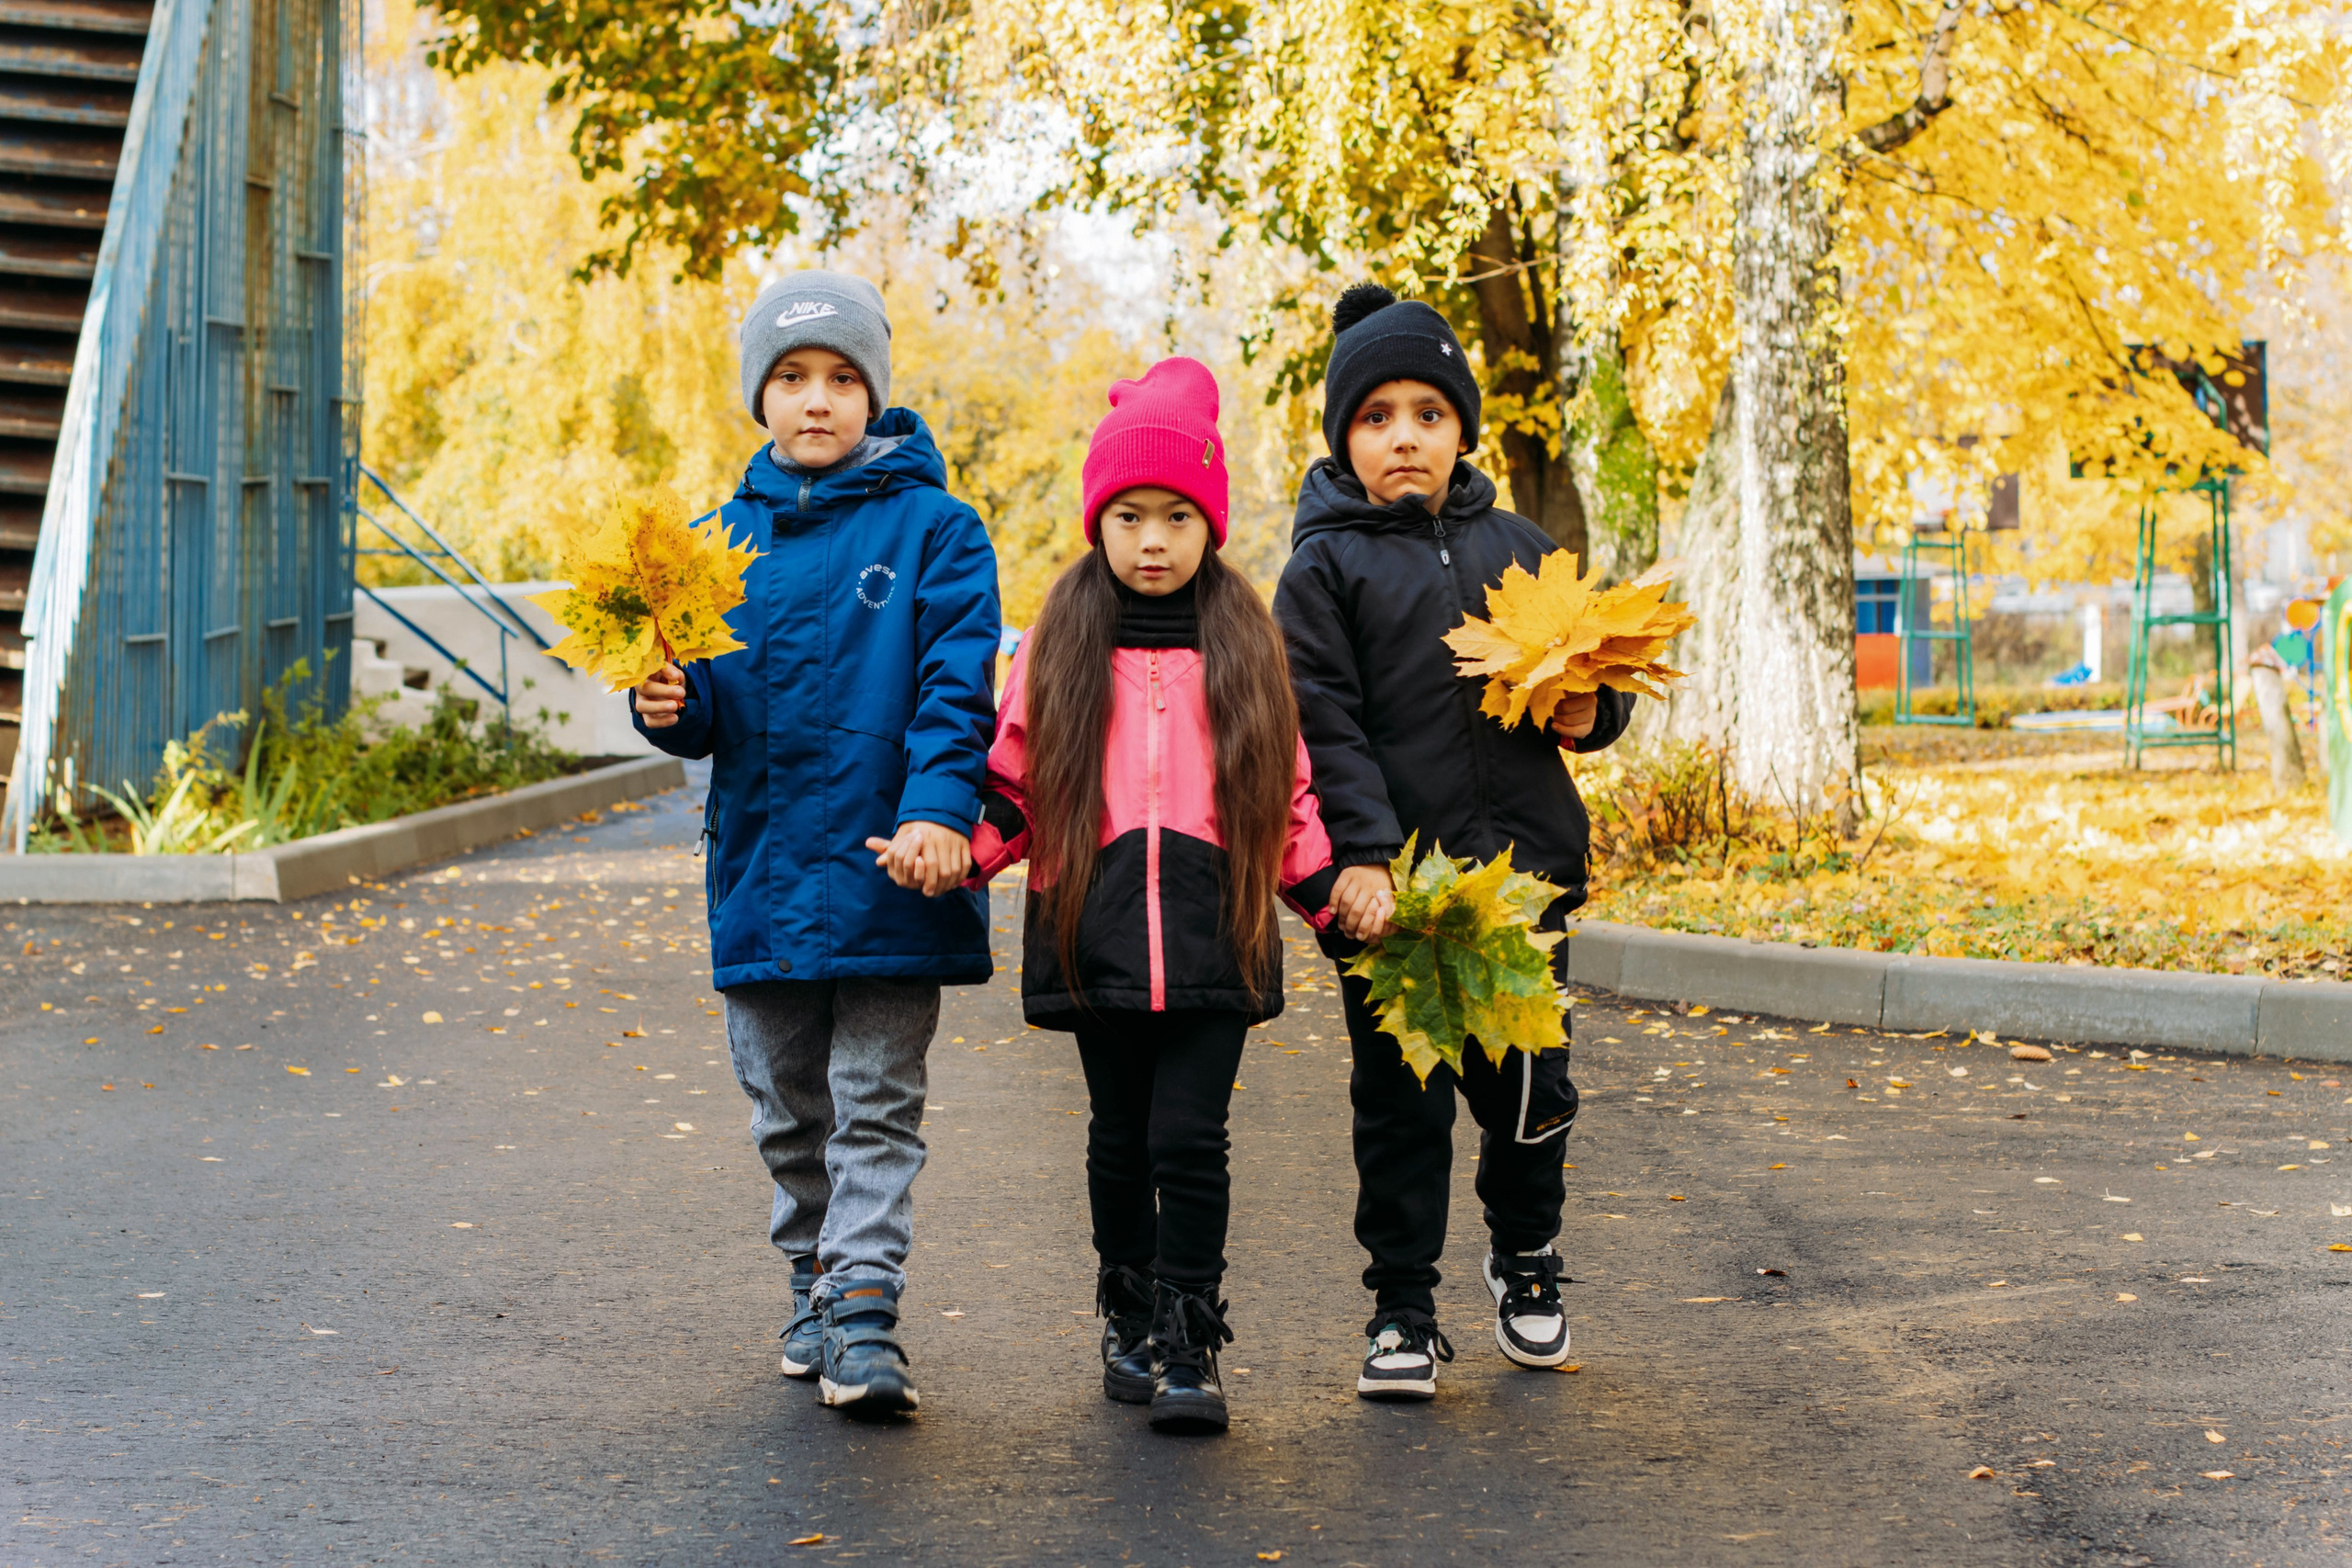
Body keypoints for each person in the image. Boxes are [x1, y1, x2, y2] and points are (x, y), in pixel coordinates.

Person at [631, 269, 1001, 1418]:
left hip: (896, 867)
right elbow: (704, 704)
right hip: (762, 871)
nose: (817, 399)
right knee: (788, 1105)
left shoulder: (937, 530)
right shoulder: (711, 543)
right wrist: (668, 707)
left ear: (874, 394)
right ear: (760, 397)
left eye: (843, 377)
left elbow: (955, 687)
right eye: (791, 377)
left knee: (875, 1099)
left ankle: (864, 1309)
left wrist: (940, 811)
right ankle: (812, 1274)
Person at [967, 356, 1347, 1434]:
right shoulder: (1058, 640)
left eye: (1177, 517)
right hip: (1093, 930)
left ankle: (1189, 1340)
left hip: (1214, 928)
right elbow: (1014, 781)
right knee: (1119, 1138)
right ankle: (1127, 1315)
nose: (1151, 540)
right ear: (1097, 521)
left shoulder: (1244, 639)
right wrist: (963, 852)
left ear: (1208, 525)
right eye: (1128, 516)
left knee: (1189, 1138)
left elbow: (1288, 792)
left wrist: (1326, 895)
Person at [1272, 284, 1634, 1401]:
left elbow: (1589, 662)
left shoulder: (1519, 547)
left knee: (1531, 1089)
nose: (1404, 438)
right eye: (1376, 417)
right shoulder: (1322, 570)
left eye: (1428, 414)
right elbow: (1321, 723)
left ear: (1462, 429)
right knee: (1404, 1106)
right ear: (1344, 438)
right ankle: (1402, 1304)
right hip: (1400, 902)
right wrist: (1362, 855)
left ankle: (1525, 1256)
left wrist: (1594, 711)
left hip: (1523, 886)